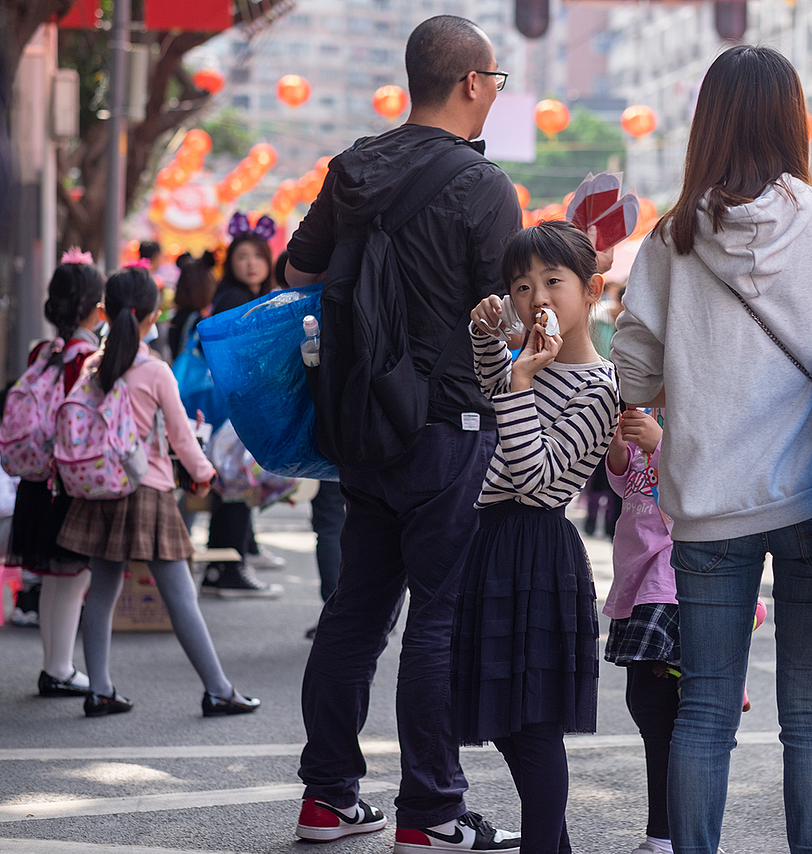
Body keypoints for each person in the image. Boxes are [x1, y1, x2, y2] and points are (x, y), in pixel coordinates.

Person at [611, 45, 812, 854]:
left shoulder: (670, 241)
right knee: (810, 711)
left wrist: (696, 369)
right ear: (791, 120)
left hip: (707, 505)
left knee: (705, 710)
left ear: (706, 124)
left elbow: (633, 372)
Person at [283, 15, 524, 847]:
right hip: (448, 428)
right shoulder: (484, 187)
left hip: (361, 425)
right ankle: (430, 812)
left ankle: (328, 797)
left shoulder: (352, 166)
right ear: (469, 83)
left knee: (356, 613)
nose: (496, 94)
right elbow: (511, 316)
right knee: (437, 620)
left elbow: (297, 272)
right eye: (495, 80)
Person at [455, 221, 618, 854]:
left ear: (591, 288)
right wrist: (488, 342)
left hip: (539, 548)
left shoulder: (600, 386)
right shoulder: (531, 362)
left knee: (533, 724)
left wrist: (521, 383)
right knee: (507, 718)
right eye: (522, 287)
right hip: (494, 543)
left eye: (553, 281)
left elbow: (542, 482)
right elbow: (496, 395)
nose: (537, 298)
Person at [54, 267, 259, 718]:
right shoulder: (155, 370)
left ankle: (100, 689)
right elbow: (182, 437)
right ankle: (219, 690)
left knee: (102, 593)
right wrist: (204, 473)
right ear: (154, 315)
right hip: (146, 491)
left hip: (101, 490)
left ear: (106, 311)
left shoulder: (93, 365)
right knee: (181, 598)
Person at [5, 252, 103, 698]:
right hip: (65, 481)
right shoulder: (87, 358)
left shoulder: (42, 351)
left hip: (34, 479)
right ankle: (60, 668)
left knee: (51, 577)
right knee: (72, 577)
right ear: (92, 306)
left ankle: (53, 665)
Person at [602, 406, 680, 854]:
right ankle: (666, 834)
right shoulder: (643, 409)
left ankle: (670, 835)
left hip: (670, 577)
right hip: (634, 576)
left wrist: (661, 444)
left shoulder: (693, 404)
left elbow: (707, 475)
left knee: (662, 710)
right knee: (646, 705)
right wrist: (617, 445)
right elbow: (623, 482)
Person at [198, 221, 285, 599]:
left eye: (257, 257)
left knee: (236, 485)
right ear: (230, 263)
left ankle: (228, 563)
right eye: (242, 257)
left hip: (236, 407)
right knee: (235, 484)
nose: (251, 264)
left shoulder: (241, 297)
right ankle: (227, 568)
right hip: (234, 408)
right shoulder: (235, 301)